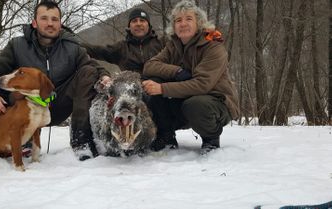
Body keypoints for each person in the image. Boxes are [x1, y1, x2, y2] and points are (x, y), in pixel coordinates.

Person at [0, 1, 109, 161]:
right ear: (34, 22)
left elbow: (93, 66)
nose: (50, 23)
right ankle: (24, 142)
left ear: (60, 23)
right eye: (44, 18)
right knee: (1, 84)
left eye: (54, 19)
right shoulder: (17, 46)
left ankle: (81, 142)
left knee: (88, 72)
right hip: (29, 107)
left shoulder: (72, 47)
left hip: (60, 104)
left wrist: (105, 76)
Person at [142, 0, 239, 154]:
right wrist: (177, 72)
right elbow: (150, 66)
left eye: (189, 19)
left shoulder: (213, 46)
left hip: (216, 102)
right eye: (178, 20)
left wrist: (162, 88)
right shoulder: (173, 46)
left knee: (195, 104)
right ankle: (166, 137)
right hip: (185, 100)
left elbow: (202, 85)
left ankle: (211, 139)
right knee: (153, 82)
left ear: (199, 23)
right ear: (174, 26)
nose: (183, 23)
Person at [81, 8, 164, 74]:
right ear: (129, 26)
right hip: (131, 93)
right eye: (134, 21)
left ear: (149, 25)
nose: (138, 24)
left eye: (142, 20)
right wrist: (74, 44)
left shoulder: (161, 44)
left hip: (160, 91)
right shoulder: (121, 48)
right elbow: (98, 51)